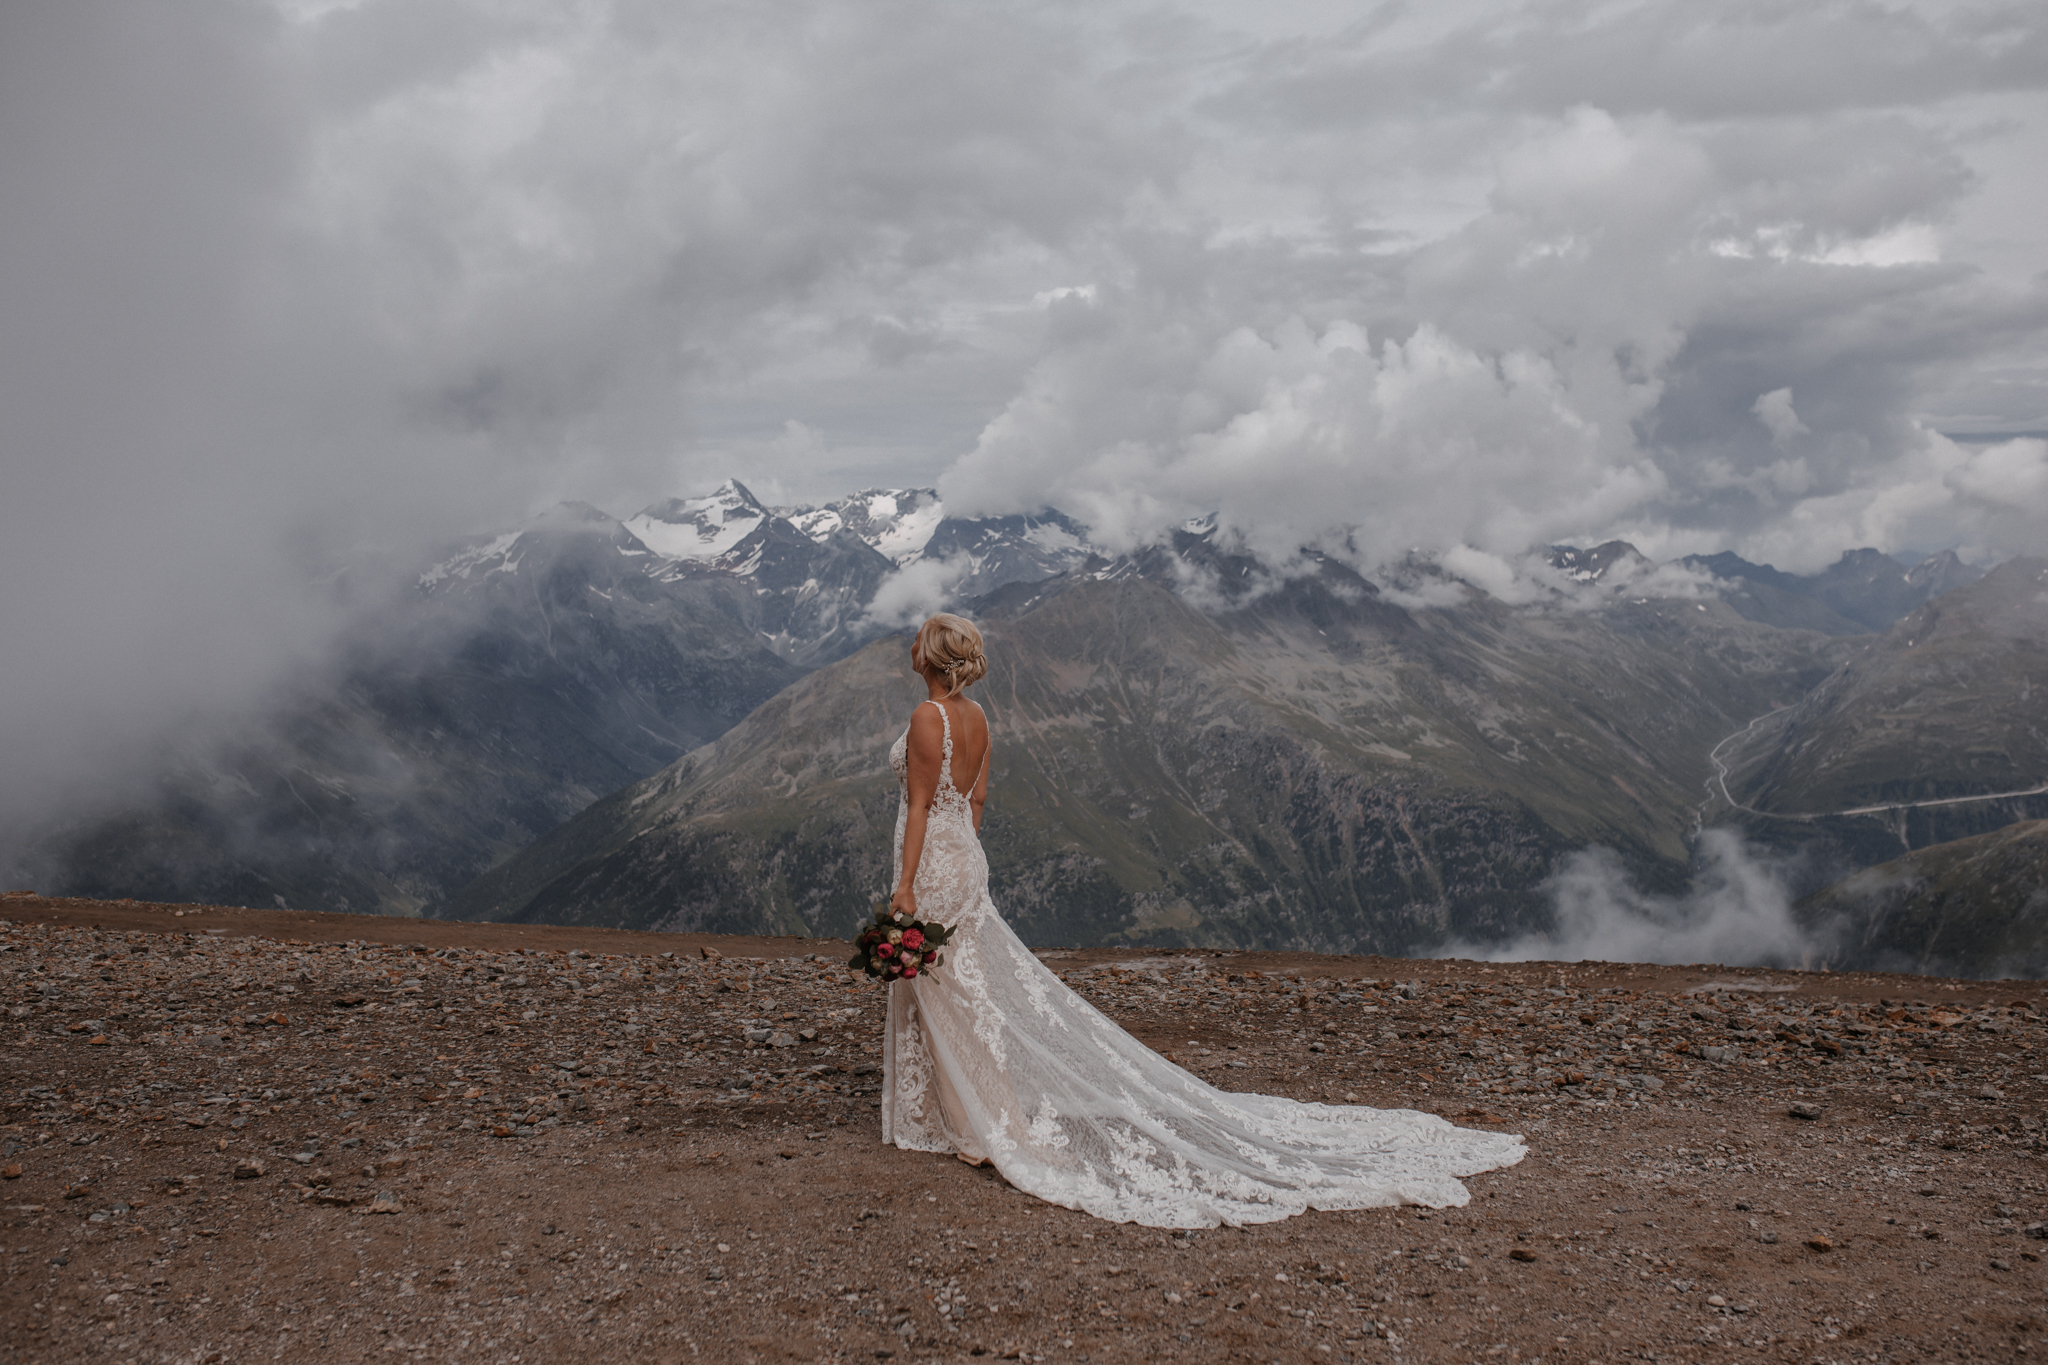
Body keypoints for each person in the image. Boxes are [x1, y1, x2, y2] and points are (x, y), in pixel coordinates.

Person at [882, 612, 1526, 1228]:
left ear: (933, 657)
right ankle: (972, 1111)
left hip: (935, 857)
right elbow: (980, 797)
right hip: (967, 853)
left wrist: (908, 883)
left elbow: (917, 807)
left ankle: (977, 1123)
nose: (909, 645)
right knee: (963, 985)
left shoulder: (926, 715)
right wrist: (964, 854)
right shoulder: (977, 717)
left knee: (948, 987)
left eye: (917, 640)